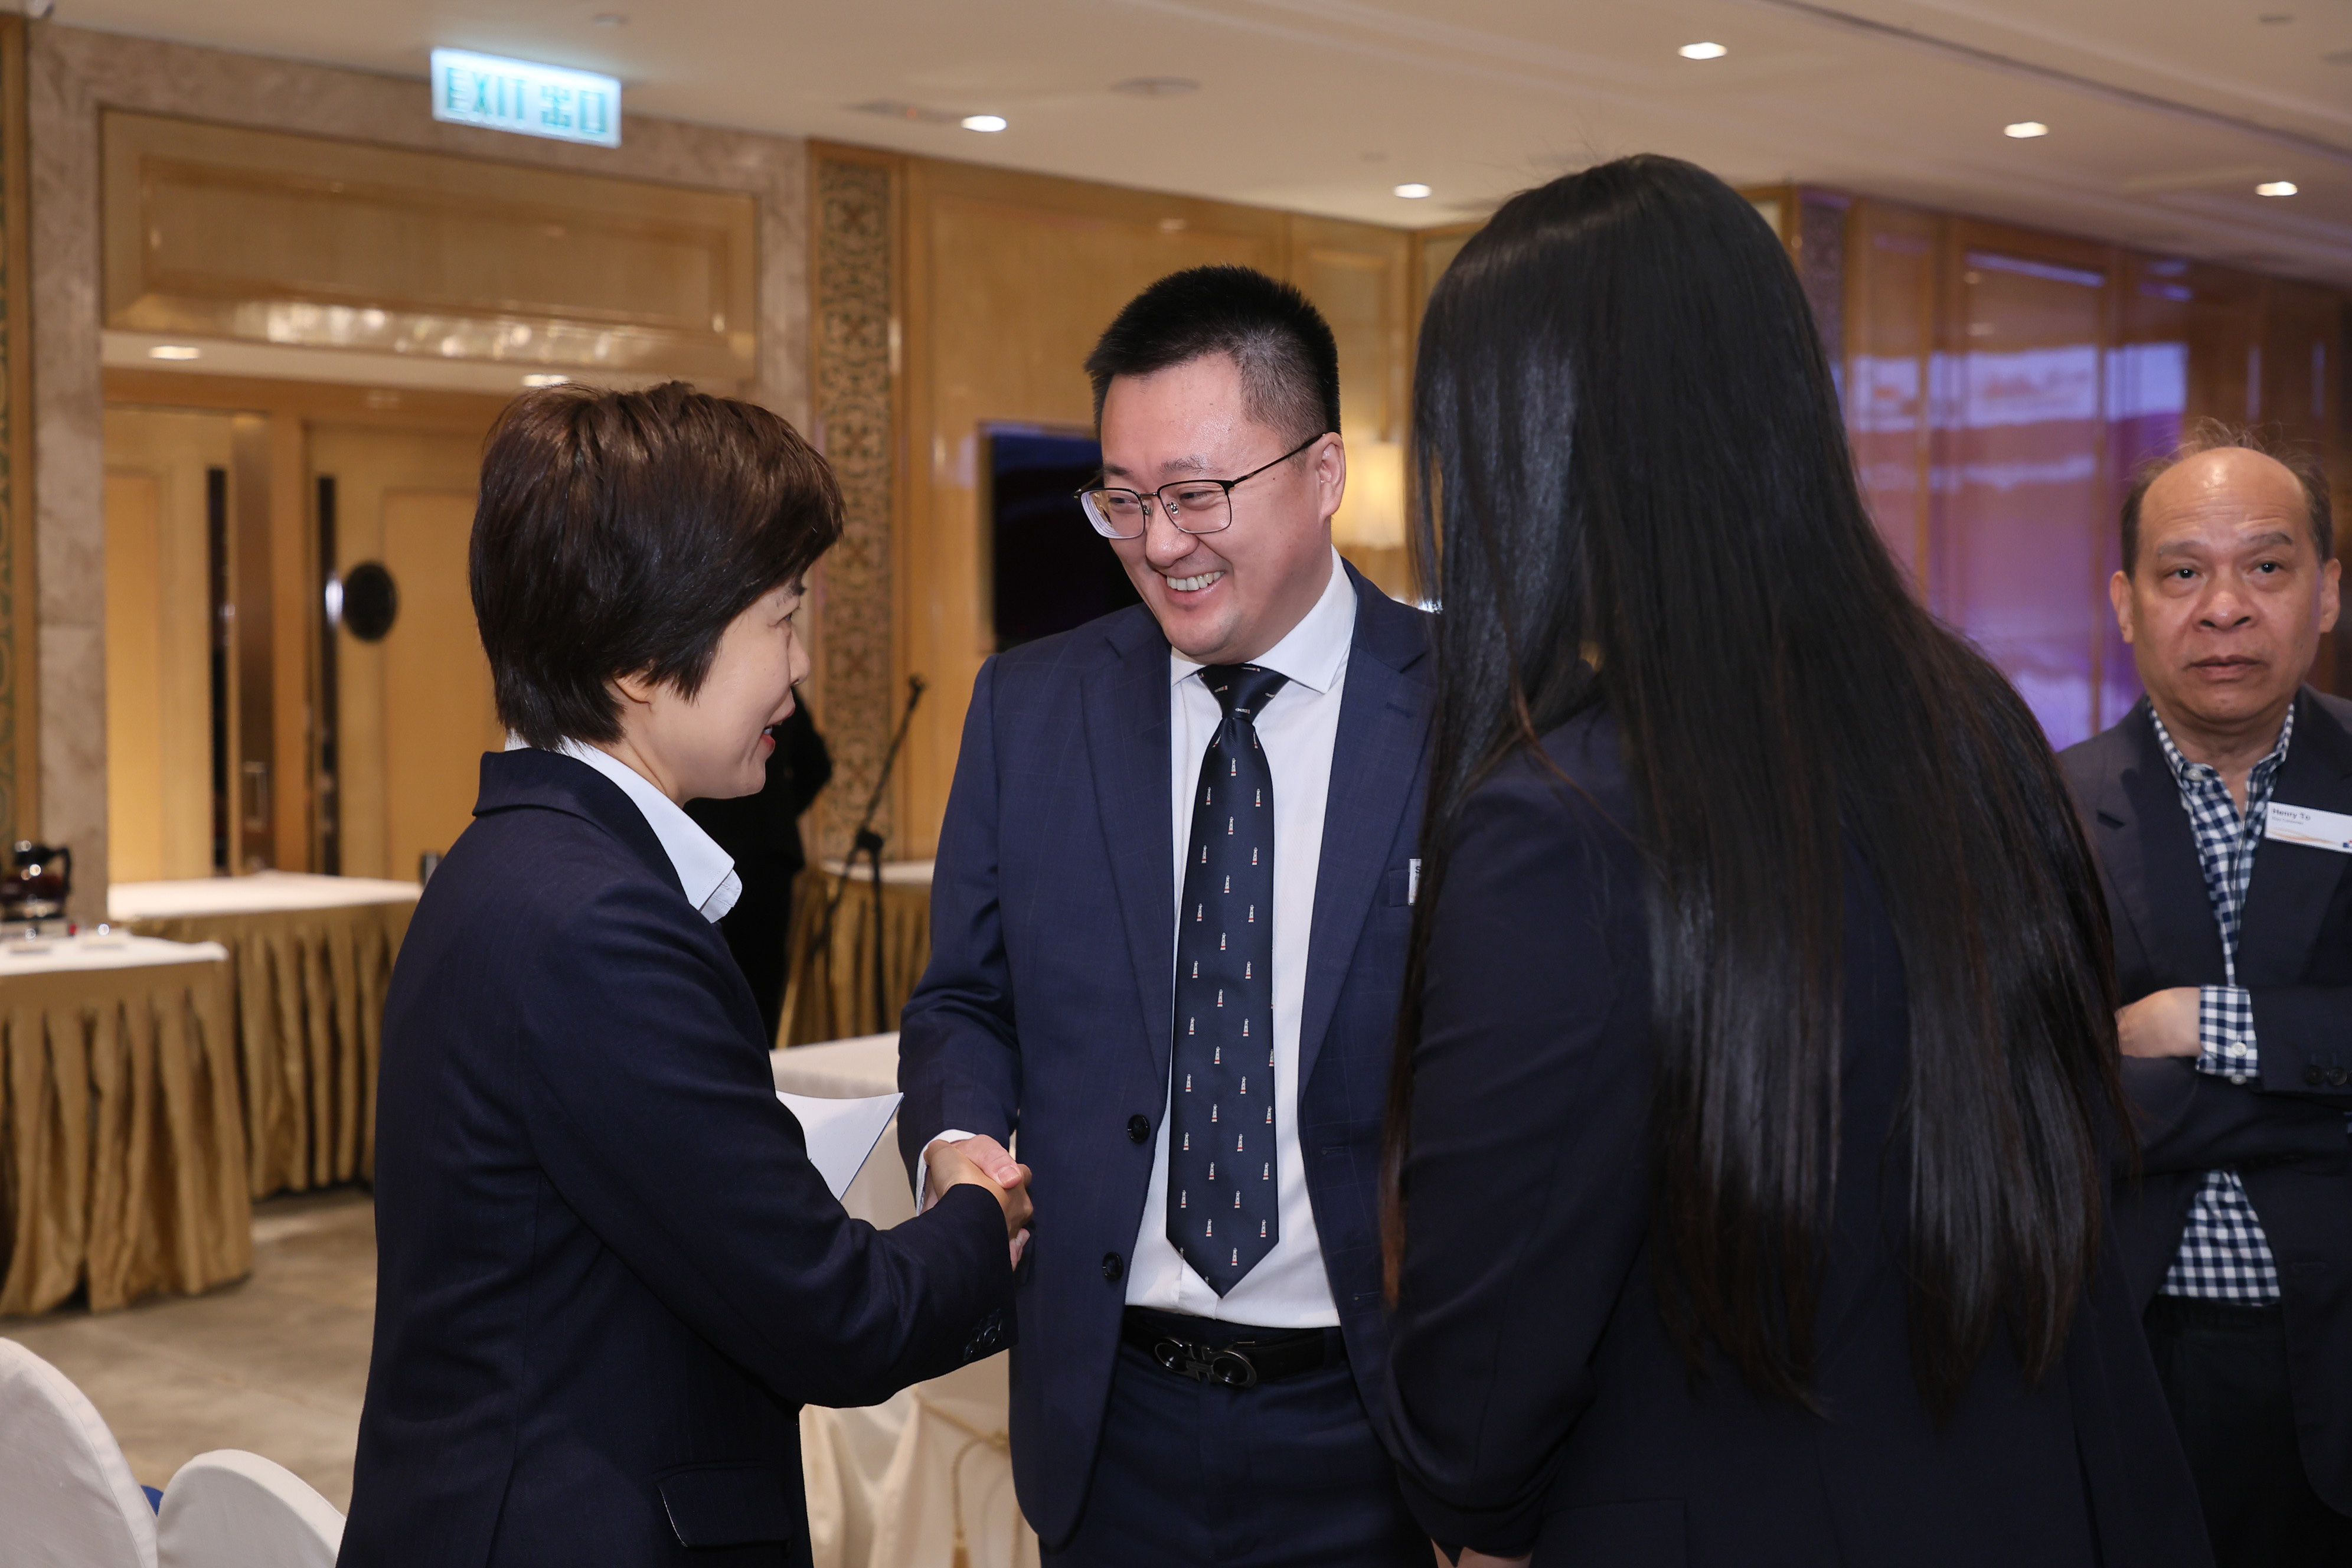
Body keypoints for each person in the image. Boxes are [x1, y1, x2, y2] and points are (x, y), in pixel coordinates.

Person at [1381, 155, 2210, 1568]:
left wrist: (1470, 1515)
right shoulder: (1974, 729)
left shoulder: (1563, 817)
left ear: (1533, 449)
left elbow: (1489, 1358)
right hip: (2023, 1500)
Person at [341, 383, 1029, 1568]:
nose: (801, 670)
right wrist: (982, 1216)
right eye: (783, 618)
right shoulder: (601, 921)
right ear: (648, 659)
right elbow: (835, 1320)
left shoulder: (505, 859)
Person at [897, 265, 1433, 1565]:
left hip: (1384, 1421)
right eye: (1123, 501)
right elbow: (967, 996)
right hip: (1109, 1414)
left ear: (1323, 471)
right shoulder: (1033, 709)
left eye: (1197, 494)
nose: (1158, 541)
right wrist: (959, 1138)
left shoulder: (1473, 714)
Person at [2057, 427, 2352, 1566]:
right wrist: (2320, 1109)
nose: (2221, 608)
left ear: (2325, 593)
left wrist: (2197, 1025)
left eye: (2264, 567)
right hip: (2131, 1352)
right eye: (2181, 571)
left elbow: (2121, 1078)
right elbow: (2043, 1092)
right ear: (2124, 602)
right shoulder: (2045, 809)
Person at [687, 701, 832, 1043]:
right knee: (761, 981)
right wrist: (778, 814)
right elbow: (818, 767)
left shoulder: (701, 686)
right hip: (766, 852)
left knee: (708, 979)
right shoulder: (780, 692)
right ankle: (761, 1070)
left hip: (707, 847)